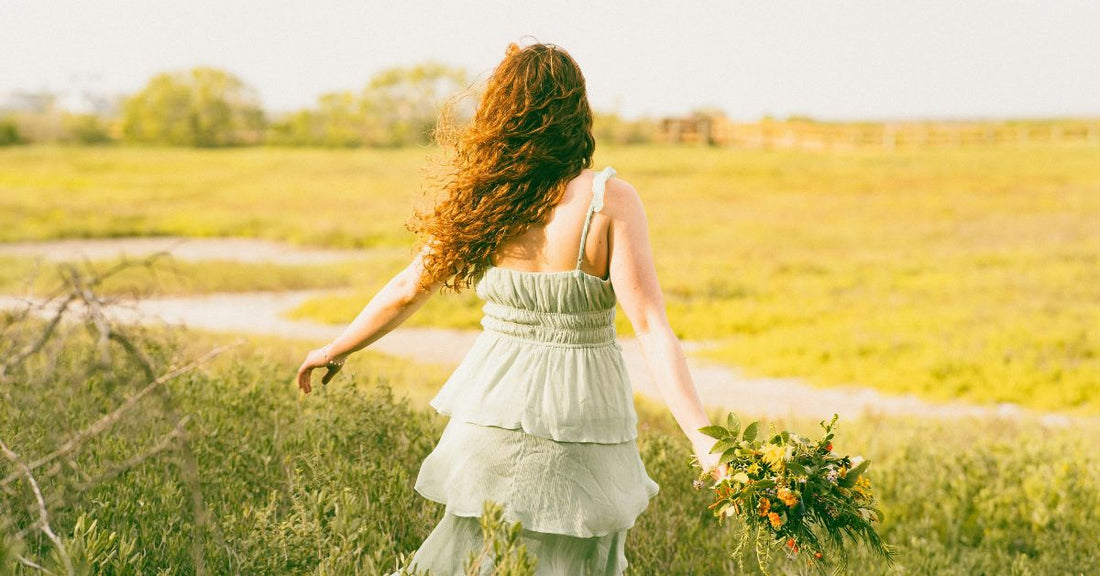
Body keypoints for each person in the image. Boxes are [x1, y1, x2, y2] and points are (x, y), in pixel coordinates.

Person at [296, 41, 727, 575]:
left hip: (493, 409)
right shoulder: (609, 200)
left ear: (499, 115)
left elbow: (410, 287)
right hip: (584, 415)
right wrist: (707, 442)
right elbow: (651, 328)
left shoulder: (488, 199)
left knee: (475, 555)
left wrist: (337, 346)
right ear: (577, 112)